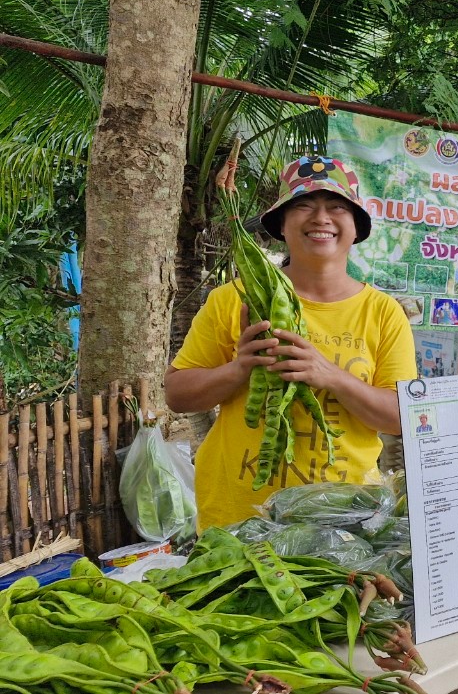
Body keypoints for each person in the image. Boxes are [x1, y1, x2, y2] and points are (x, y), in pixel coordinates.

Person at [166, 156, 417, 530]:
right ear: (282, 225)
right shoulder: (233, 299)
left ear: (355, 228)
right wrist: (241, 367)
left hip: (343, 514)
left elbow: (401, 417)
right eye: (303, 206)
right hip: (238, 511)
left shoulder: (382, 312)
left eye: (337, 208)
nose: (321, 218)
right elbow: (177, 394)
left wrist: (330, 375)